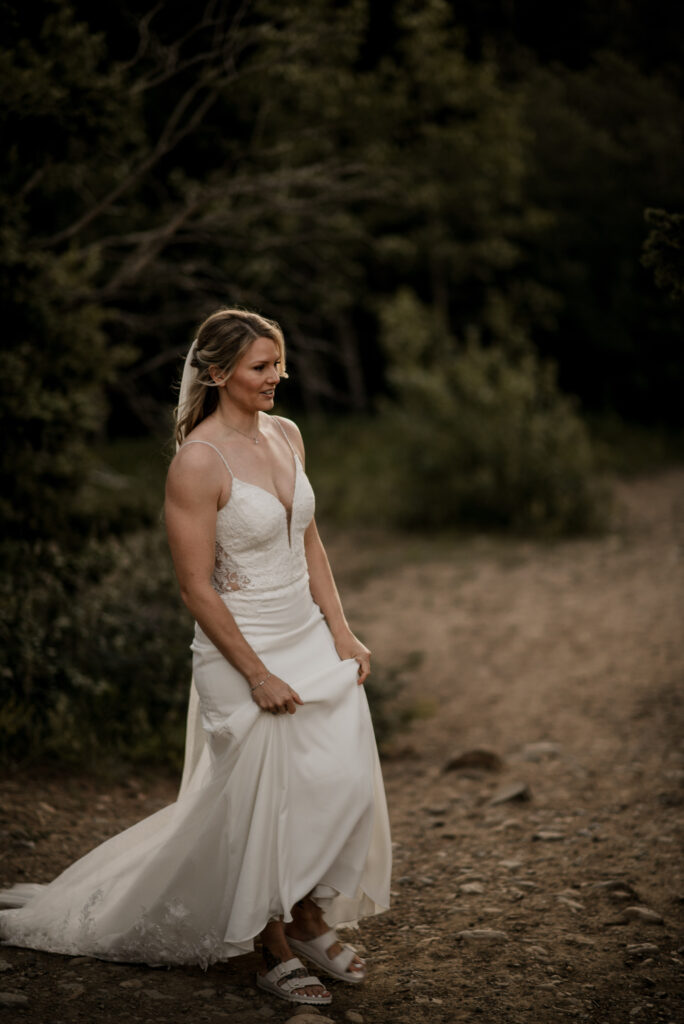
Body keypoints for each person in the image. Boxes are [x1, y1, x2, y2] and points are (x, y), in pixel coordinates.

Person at [0, 308, 392, 1008]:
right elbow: (194, 585)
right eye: (261, 367)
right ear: (216, 374)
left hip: (305, 632)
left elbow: (309, 542)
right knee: (260, 799)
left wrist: (342, 630)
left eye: (278, 363)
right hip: (239, 646)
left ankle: (308, 916)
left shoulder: (288, 434)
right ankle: (269, 943)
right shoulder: (197, 462)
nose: (277, 377)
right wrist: (257, 674)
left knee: (339, 780)